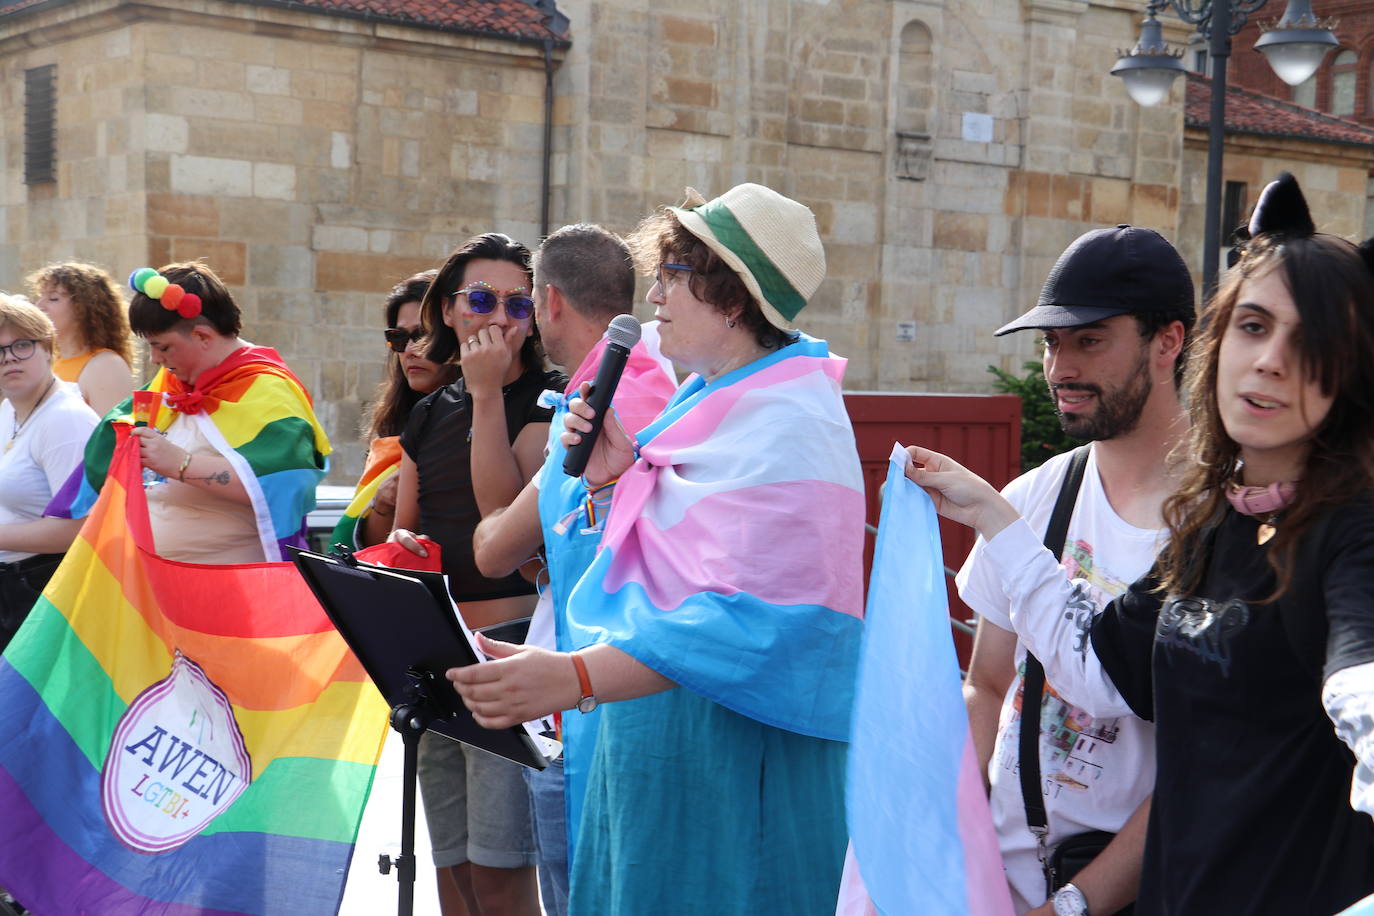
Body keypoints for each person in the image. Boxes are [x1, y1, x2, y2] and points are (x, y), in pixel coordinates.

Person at [910, 173, 1374, 913]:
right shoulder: (1213, 523)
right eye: (1253, 326)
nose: (1271, 360)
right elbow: (1095, 667)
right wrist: (998, 520)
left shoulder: (1351, 530)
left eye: (1311, 339)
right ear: (1221, 342)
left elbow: (1360, 676)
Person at [449, 184, 866, 914]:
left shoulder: (790, 421)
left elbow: (761, 622)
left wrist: (573, 674)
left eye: (672, 274)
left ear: (732, 298)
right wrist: (612, 486)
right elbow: (665, 571)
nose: (654, 294)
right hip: (657, 745)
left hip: (732, 767)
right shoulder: (710, 397)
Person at [952, 226, 1194, 915]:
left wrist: (1073, 905)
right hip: (1000, 885)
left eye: (1089, 340)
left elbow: (1199, 763)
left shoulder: (1215, 522)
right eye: (1052, 342)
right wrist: (945, 831)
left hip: (1140, 891)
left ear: (1167, 342)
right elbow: (989, 686)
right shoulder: (1034, 498)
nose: (1059, 367)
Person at [469, 223, 678, 916]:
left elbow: (492, 546)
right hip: (622, 699)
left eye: (526, 302)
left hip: (588, 710)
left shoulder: (596, 408)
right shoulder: (666, 388)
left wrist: (486, 397)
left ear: (549, 300)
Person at [389, 233, 563, 916]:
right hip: (436, 652)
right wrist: (401, 543)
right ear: (451, 311)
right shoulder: (431, 408)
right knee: (453, 865)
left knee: (500, 871)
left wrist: (488, 394)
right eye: (482, 300)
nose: (499, 318)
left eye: (518, 303)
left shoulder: (549, 399)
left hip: (508, 643)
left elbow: (503, 524)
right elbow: (410, 523)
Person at [46, 262, 330, 565]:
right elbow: (112, 438)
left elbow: (287, 482)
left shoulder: (269, 390)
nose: (155, 359)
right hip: (159, 589)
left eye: (164, 347)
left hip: (231, 590)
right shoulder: (171, 383)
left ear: (203, 336)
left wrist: (181, 464)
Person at [330, 270, 456, 550]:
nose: (410, 350)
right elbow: (370, 549)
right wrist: (385, 504)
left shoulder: (484, 417)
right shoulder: (395, 431)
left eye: (423, 335)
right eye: (398, 338)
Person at [0, 297, 98, 651]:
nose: (9, 357)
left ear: (47, 348)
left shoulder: (65, 420)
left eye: (22, 345)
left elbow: (77, 530)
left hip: (43, 588)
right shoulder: (9, 411)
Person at [26, 262, 135, 417]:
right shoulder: (47, 361)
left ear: (84, 308)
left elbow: (110, 436)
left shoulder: (106, 365)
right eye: (40, 297)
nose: (39, 305)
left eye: (53, 298)